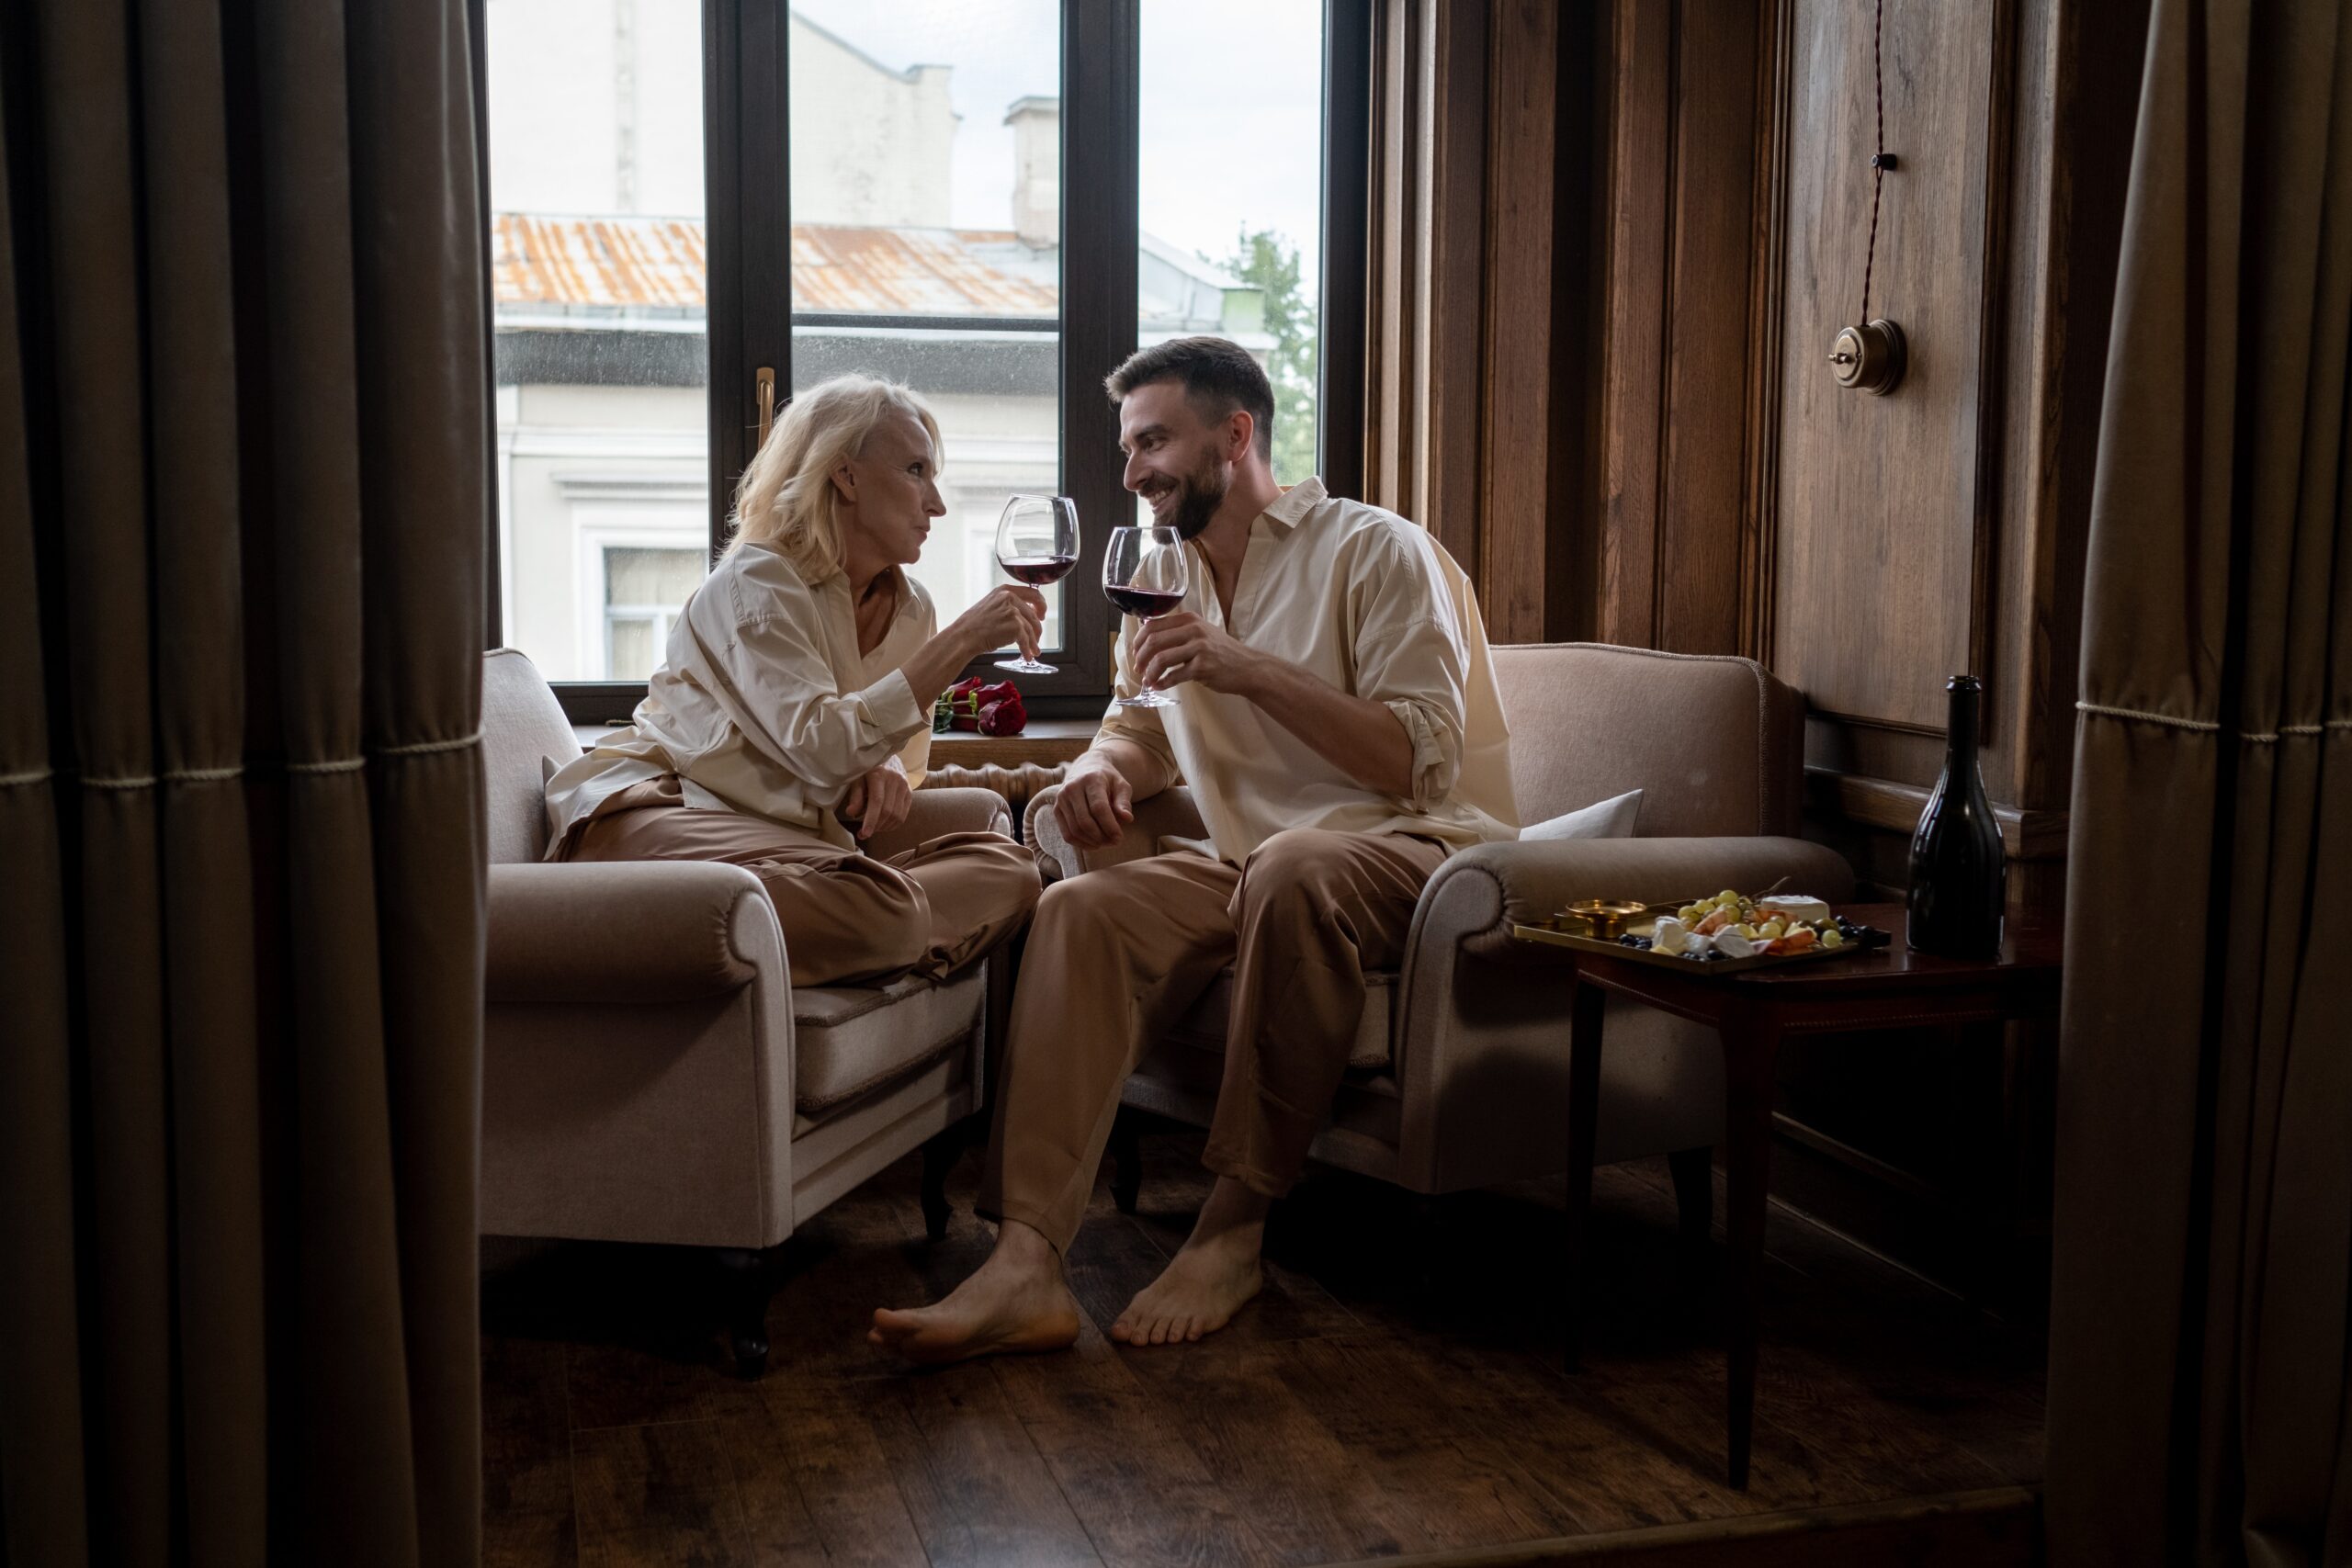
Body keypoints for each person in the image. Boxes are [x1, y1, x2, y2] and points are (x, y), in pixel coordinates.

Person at [871, 336, 1516, 1361]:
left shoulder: (1377, 550)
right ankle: (1025, 1265)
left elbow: (1414, 761)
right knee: (1075, 908)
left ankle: (1234, 1228)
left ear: (1236, 434)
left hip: (1416, 855)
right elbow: (1142, 719)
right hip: (1244, 862)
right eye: (1129, 449)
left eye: (1154, 441)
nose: (1132, 473)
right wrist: (1098, 767)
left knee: (1297, 867)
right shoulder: (1163, 574)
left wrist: (1243, 667)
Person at [542, 375, 1046, 989]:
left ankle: (873, 932)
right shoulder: (755, 584)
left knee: (1012, 869)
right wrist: (964, 641)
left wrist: (884, 768)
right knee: (888, 906)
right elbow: (824, 746)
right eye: (916, 469)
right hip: (662, 817)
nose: (936, 503)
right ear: (846, 475)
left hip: (791, 849)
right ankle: (881, 930)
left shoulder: (913, 614)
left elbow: (892, 771)